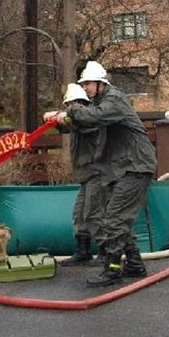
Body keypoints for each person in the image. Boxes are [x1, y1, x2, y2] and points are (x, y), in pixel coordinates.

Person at [44, 61, 157, 287]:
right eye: (83, 84)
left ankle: (112, 270)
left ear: (100, 83)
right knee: (118, 220)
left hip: (135, 166)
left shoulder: (114, 99)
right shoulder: (100, 103)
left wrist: (67, 113)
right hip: (123, 168)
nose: (85, 87)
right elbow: (85, 121)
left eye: (87, 83)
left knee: (114, 219)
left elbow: (93, 117)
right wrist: (63, 118)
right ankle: (134, 264)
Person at [54, 83, 107, 266]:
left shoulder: (90, 118)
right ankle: (82, 251)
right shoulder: (76, 120)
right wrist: (55, 118)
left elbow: (78, 123)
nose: (69, 108)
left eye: (71, 104)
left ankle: (106, 251)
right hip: (85, 175)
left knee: (94, 212)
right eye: (68, 105)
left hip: (97, 172)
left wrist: (62, 116)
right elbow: (65, 125)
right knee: (80, 214)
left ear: (81, 103)